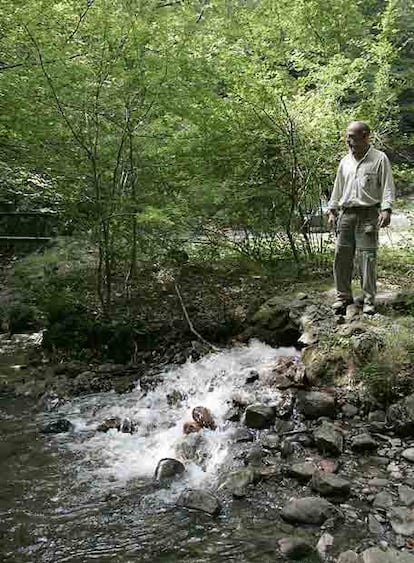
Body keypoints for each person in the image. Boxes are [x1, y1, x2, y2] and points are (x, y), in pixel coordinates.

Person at [327, 121, 395, 315]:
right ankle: (343, 297)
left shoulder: (379, 159)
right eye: (347, 137)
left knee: (367, 258)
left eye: (353, 137)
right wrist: (332, 210)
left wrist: (387, 209)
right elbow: (337, 187)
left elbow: (388, 187)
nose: (349, 141)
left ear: (365, 136)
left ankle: (369, 301)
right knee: (342, 257)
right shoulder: (345, 161)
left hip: (368, 215)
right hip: (346, 215)